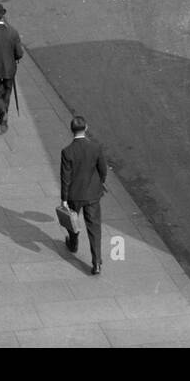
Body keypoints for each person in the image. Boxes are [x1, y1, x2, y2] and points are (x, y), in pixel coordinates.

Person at [60, 115, 108, 274]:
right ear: (86, 128)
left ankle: (73, 244)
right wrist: (100, 183)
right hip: (93, 194)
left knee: (72, 221)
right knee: (94, 228)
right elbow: (103, 169)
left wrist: (64, 199)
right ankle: (97, 263)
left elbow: (65, 177)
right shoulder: (96, 147)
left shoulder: (67, 151)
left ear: (71, 130)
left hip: (74, 195)